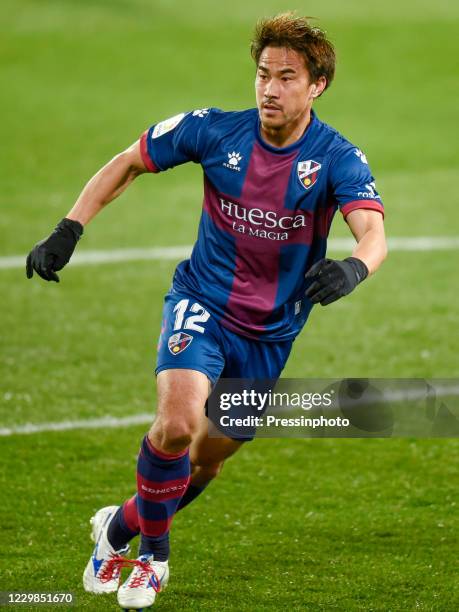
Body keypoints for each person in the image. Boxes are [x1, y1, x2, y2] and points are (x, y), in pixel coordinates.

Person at [26, 12, 387, 609]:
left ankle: (118, 528)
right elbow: (129, 160)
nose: (270, 88)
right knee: (175, 426)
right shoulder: (214, 131)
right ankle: (153, 559)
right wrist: (69, 227)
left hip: (269, 335)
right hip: (202, 304)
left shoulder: (337, 158)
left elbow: (372, 233)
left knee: (203, 465)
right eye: (263, 74)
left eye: (287, 77)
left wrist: (354, 267)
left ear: (316, 85)